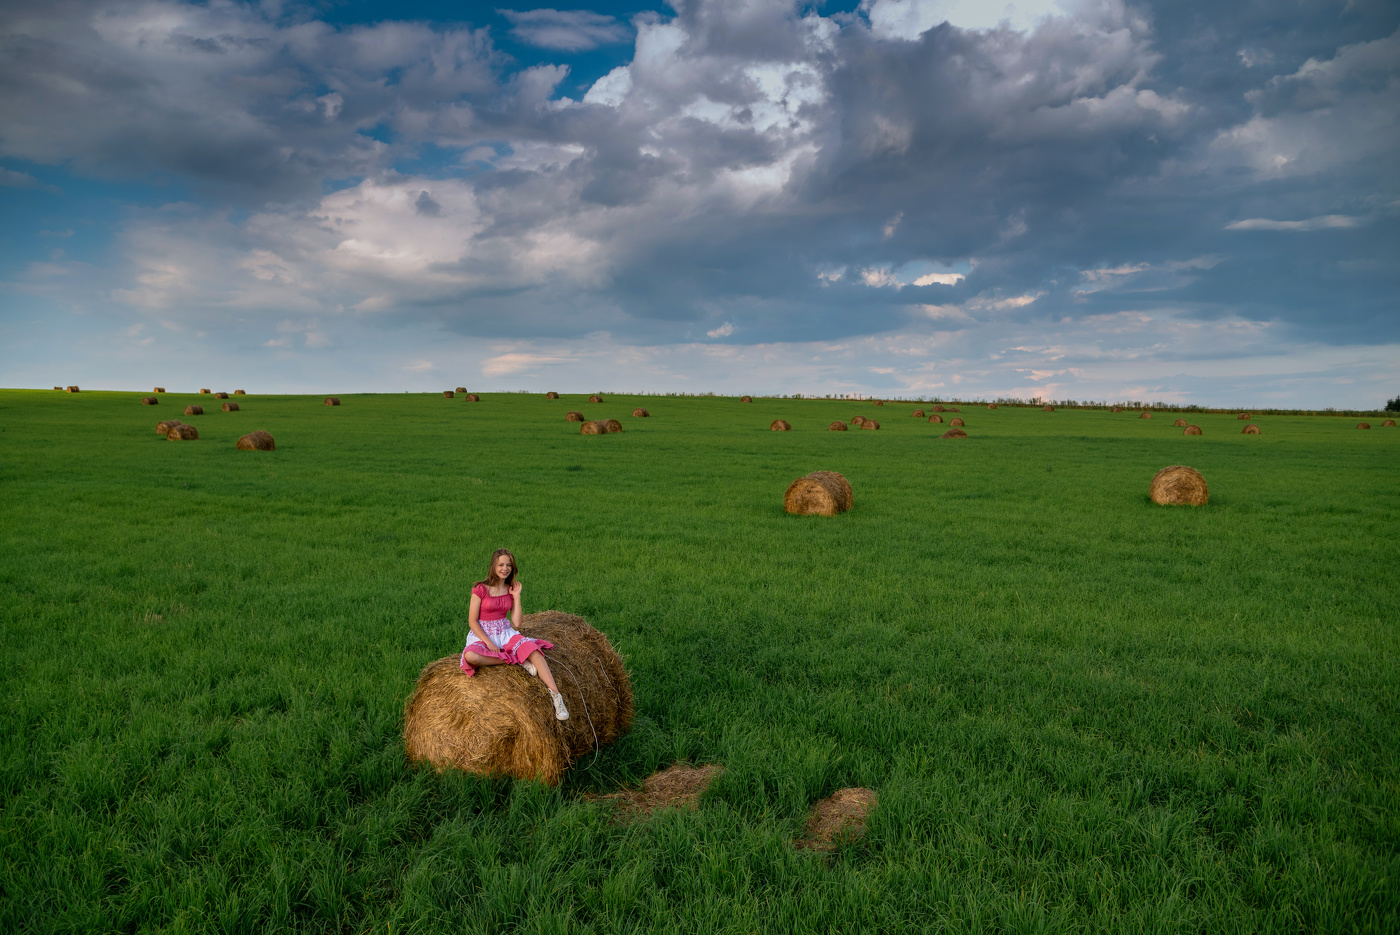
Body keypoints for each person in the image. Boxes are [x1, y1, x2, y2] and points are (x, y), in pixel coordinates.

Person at [459, 549, 569, 720]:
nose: (505, 568)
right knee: (471, 656)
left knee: (533, 651)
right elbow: (472, 620)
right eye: (501, 565)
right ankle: (516, 660)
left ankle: (557, 697)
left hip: (504, 632)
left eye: (509, 565)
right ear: (493, 566)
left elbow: (517, 623)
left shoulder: (510, 589)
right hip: (482, 633)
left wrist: (516, 596)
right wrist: (488, 643)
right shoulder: (480, 589)